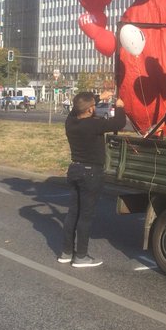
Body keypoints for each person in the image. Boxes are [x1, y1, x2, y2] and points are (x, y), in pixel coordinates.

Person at [58, 90, 126, 268]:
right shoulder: (93, 125)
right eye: (94, 106)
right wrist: (120, 107)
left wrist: (98, 98)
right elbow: (120, 123)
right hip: (91, 172)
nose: (95, 108)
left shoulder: (71, 121)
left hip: (74, 169)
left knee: (73, 213)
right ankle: (81, 256)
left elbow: (76, 109)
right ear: (89, 110)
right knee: (85, 216)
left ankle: (66, 252)